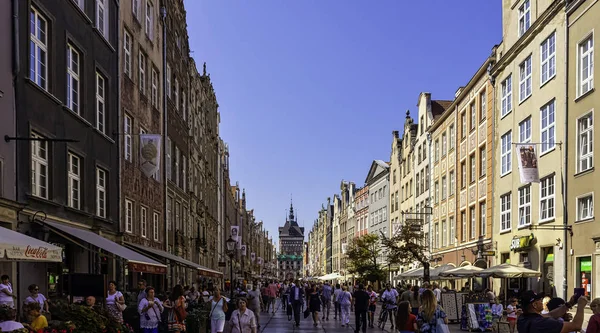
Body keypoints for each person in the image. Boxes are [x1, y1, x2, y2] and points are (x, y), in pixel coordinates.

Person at [516, 290, 587, 333]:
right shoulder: (543, 323)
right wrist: (581, 306)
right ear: (534, 305)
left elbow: (551, 314)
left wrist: (569, 304)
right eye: (540, 300)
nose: (542, 301)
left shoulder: (523, 318)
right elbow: (576, 326)